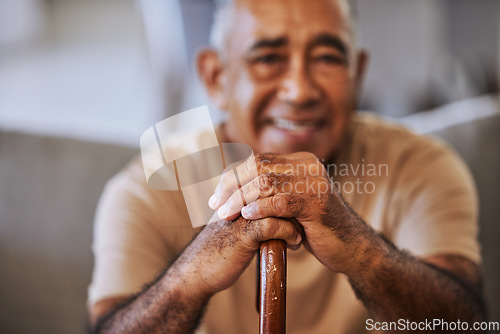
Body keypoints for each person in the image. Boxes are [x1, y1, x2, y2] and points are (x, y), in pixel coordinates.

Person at [87, 0, 486, 333]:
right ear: (216, 77)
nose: (299, 90)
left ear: (357, 74)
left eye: (328, 57)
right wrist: (194, 273)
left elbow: (465, 325)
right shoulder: (146, 185)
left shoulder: (422, 166)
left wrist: (359, 248)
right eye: (268, 58)